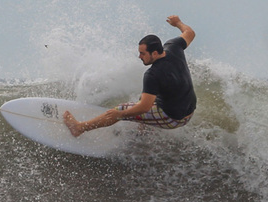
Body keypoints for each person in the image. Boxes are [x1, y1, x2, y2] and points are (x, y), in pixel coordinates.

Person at [63, 15, 197, 137]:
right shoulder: (174, 47)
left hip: (174, 119)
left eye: (143, 54)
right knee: (143, 98)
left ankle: (79, 128)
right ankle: (144, 131)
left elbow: (144, 107)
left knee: (122, 109)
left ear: (155, 53)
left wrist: (120, 115)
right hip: (188, 111)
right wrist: (178, 23)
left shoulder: (153, 74)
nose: (139, 57)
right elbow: (190, 33)